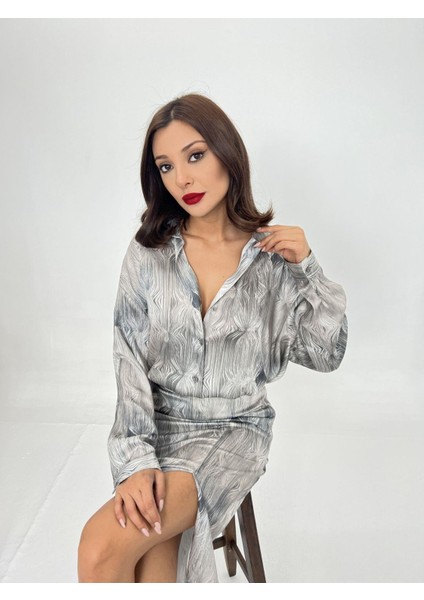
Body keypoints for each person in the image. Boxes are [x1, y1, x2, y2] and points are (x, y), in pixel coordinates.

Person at [77, 92, 348, 583]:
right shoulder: (149, 253)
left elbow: (327, 354)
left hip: (234, 430)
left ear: (227, 153)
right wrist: (135, 460)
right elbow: (128, 358)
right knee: (151, 560)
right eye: (165, 166)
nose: (181, 178)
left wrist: (308, 269)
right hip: (159, 426)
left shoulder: (272, 258)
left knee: (101, 546)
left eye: (195, 155)